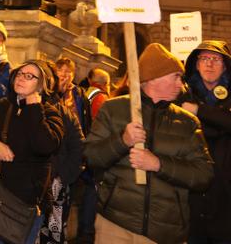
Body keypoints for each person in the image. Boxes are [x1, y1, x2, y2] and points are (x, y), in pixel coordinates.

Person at [85, 43, 214, 244]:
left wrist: (158, 164)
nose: (181, 84)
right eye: (176, 77)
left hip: (166, 232)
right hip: (115, 225)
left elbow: (203, 175)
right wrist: (122, 140)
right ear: (153, 78)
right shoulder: (113, 109)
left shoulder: (187, 122)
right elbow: (91, 158)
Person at [0, 60, 64, 244]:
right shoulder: (3, 106)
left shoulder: (51, 113)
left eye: (29, 76)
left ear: (42, 84)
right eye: (20, 74)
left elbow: (45, 146)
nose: (22, 78)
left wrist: (33, 109)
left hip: (24, 204)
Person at [182, 40, 231, 244]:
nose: (209, 64)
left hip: (226, 189)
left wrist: (198, 111)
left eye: (215, 59)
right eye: (204, 58)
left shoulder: (192, 103)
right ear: (196, 63)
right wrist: (219, 122)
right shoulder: (184, 92)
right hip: (193, 188)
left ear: (225, 65)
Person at [36, 60, 84, 244]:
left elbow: (79, 147)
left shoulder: (64, 112)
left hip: (55, 185)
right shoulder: (16, 107)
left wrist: (63, 177)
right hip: (25, 188)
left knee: (52, 234)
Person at [54, 57, 93, 244]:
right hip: (58, 151)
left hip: (74, 150)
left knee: (71, 196)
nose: (65, 74)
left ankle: (65, 233)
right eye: (61, 70)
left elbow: (86, 122)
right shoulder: (52, 92)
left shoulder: (80, 94)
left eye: (68, 71)